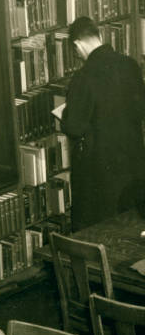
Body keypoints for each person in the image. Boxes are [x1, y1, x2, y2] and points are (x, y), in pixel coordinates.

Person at [61, 16, 145, 231]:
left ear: (77, 44)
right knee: (132, 226)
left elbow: (74, 127)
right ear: (99, 35)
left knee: (100, 229)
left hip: (100, 171)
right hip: (134, 164)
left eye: (76, 52)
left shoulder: (83, 77)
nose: (78, 57)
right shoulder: (130, 65)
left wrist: (65, 115)